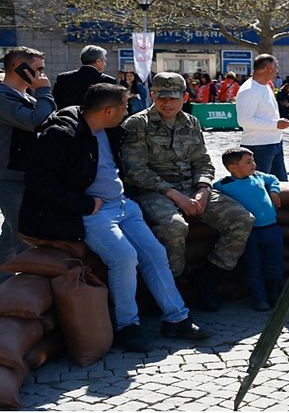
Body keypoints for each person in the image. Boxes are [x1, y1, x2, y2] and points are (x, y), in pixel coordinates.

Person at [19, 83, 209, 352]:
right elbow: (39, 180)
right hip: (93, 212)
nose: (127, 112)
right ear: (109, 110)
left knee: (155, 252)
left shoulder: (109, 131)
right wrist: (83, 203)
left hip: (123, 205)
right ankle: (127, 326)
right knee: (124, 257)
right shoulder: (62, 135)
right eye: (123, 107)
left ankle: (176, 317)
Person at [121, 72, 255, 311]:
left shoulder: (191, 122)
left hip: (192, 187)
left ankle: (209, 280)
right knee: (174, 227)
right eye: (161, 98)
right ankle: (171, 288)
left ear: (184, 97)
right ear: (152, 95)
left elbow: (202, 161)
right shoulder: (137, 124)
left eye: (173, 98)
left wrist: (203, 189)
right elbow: (135, 171)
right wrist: (174, 195)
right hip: (154, 191)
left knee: (242, 219)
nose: (167, 103)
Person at [0, 47, 56, 282]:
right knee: (25, 235)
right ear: (18, 68)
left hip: (27, 174)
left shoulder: (28, 97)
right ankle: (26, 289)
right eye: (37, 70)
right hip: (9, 175)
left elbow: (51, 120)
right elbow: (37, 122)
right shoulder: (3, 96)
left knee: (11, 234)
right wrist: (44, 91)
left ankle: (8, 287)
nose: (42, 75)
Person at [213, 147, 284, 311]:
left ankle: (274, 295)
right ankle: (259, 299)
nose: (254, 164)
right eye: (248, 162)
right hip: (249, 233)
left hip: (272, 229)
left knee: (274, 264)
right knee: (253, 266)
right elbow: (212, 192)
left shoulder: (258, 176)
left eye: (253, 160)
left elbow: (273, 179)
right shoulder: (224, 185)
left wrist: (274, 192)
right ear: (233, 167)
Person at [235, 54, 289, 182]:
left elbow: (265, 114)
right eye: (276, 67)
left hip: (273, 143)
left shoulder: (265, 85)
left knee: (280, 185)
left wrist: (279, 121)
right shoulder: (249, 89)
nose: (277, 71)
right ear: (269, 68)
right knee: (260, 187)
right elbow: (244, 120)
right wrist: (276, 124)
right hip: (259, 146)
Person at [52, 45, 116, 109]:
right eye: (104, 61)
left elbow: (55, 102)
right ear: (98, 61)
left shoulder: (63, 78)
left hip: (67, 117)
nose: (105, 64)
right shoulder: (108, 81)